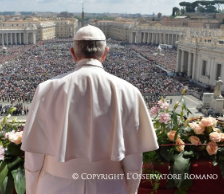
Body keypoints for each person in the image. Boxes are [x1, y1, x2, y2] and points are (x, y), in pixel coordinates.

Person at [21, 25, 159, 194]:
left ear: (73, 53)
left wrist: (31, 189)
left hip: (54, 186)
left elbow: (34, 155)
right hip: (110, 187)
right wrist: (131, 190)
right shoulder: (129, 91)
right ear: (105, 53)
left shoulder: (46, 89)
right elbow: (133, 161)